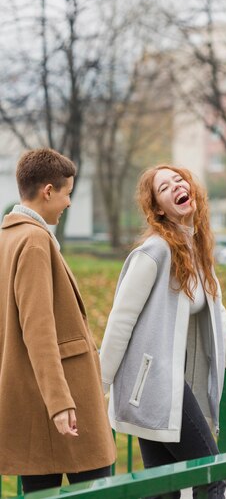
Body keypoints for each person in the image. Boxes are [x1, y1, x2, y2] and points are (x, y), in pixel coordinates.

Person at [100, 164, 226, 499]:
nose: (176, 185)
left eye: (179, 179)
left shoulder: (197, 252)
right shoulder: (155, 252)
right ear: (158, 207)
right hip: (153, 388)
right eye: (164, 186)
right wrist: (97, 388)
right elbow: (120, 323)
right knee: (211, 473)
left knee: (164, 488)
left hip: (172, 386)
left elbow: (218, 316)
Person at [0, 148, 116, 494]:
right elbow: (38, 328)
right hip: (62, 397)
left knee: (40, 487)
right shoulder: (34, 241)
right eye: (67, 194)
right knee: (97, 486)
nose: (68, 203)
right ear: (48, 190)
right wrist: (61, 402)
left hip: (31, 394)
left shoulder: (8, 237)